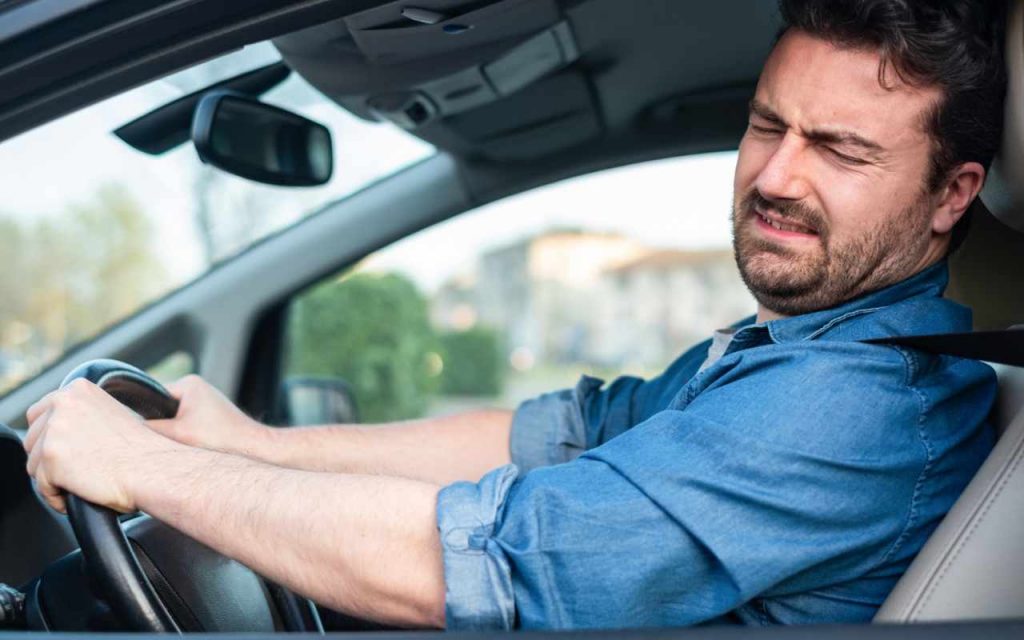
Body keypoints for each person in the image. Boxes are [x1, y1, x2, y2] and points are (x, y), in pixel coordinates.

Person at [23, 0, 1008, 629]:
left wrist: (152, 468)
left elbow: (494, 561)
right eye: (765, 125)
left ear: (949, 194)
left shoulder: (855, 402)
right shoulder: (787, 355)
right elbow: (538, 435)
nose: (775, 175)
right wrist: (249, 444)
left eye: (840, 150)